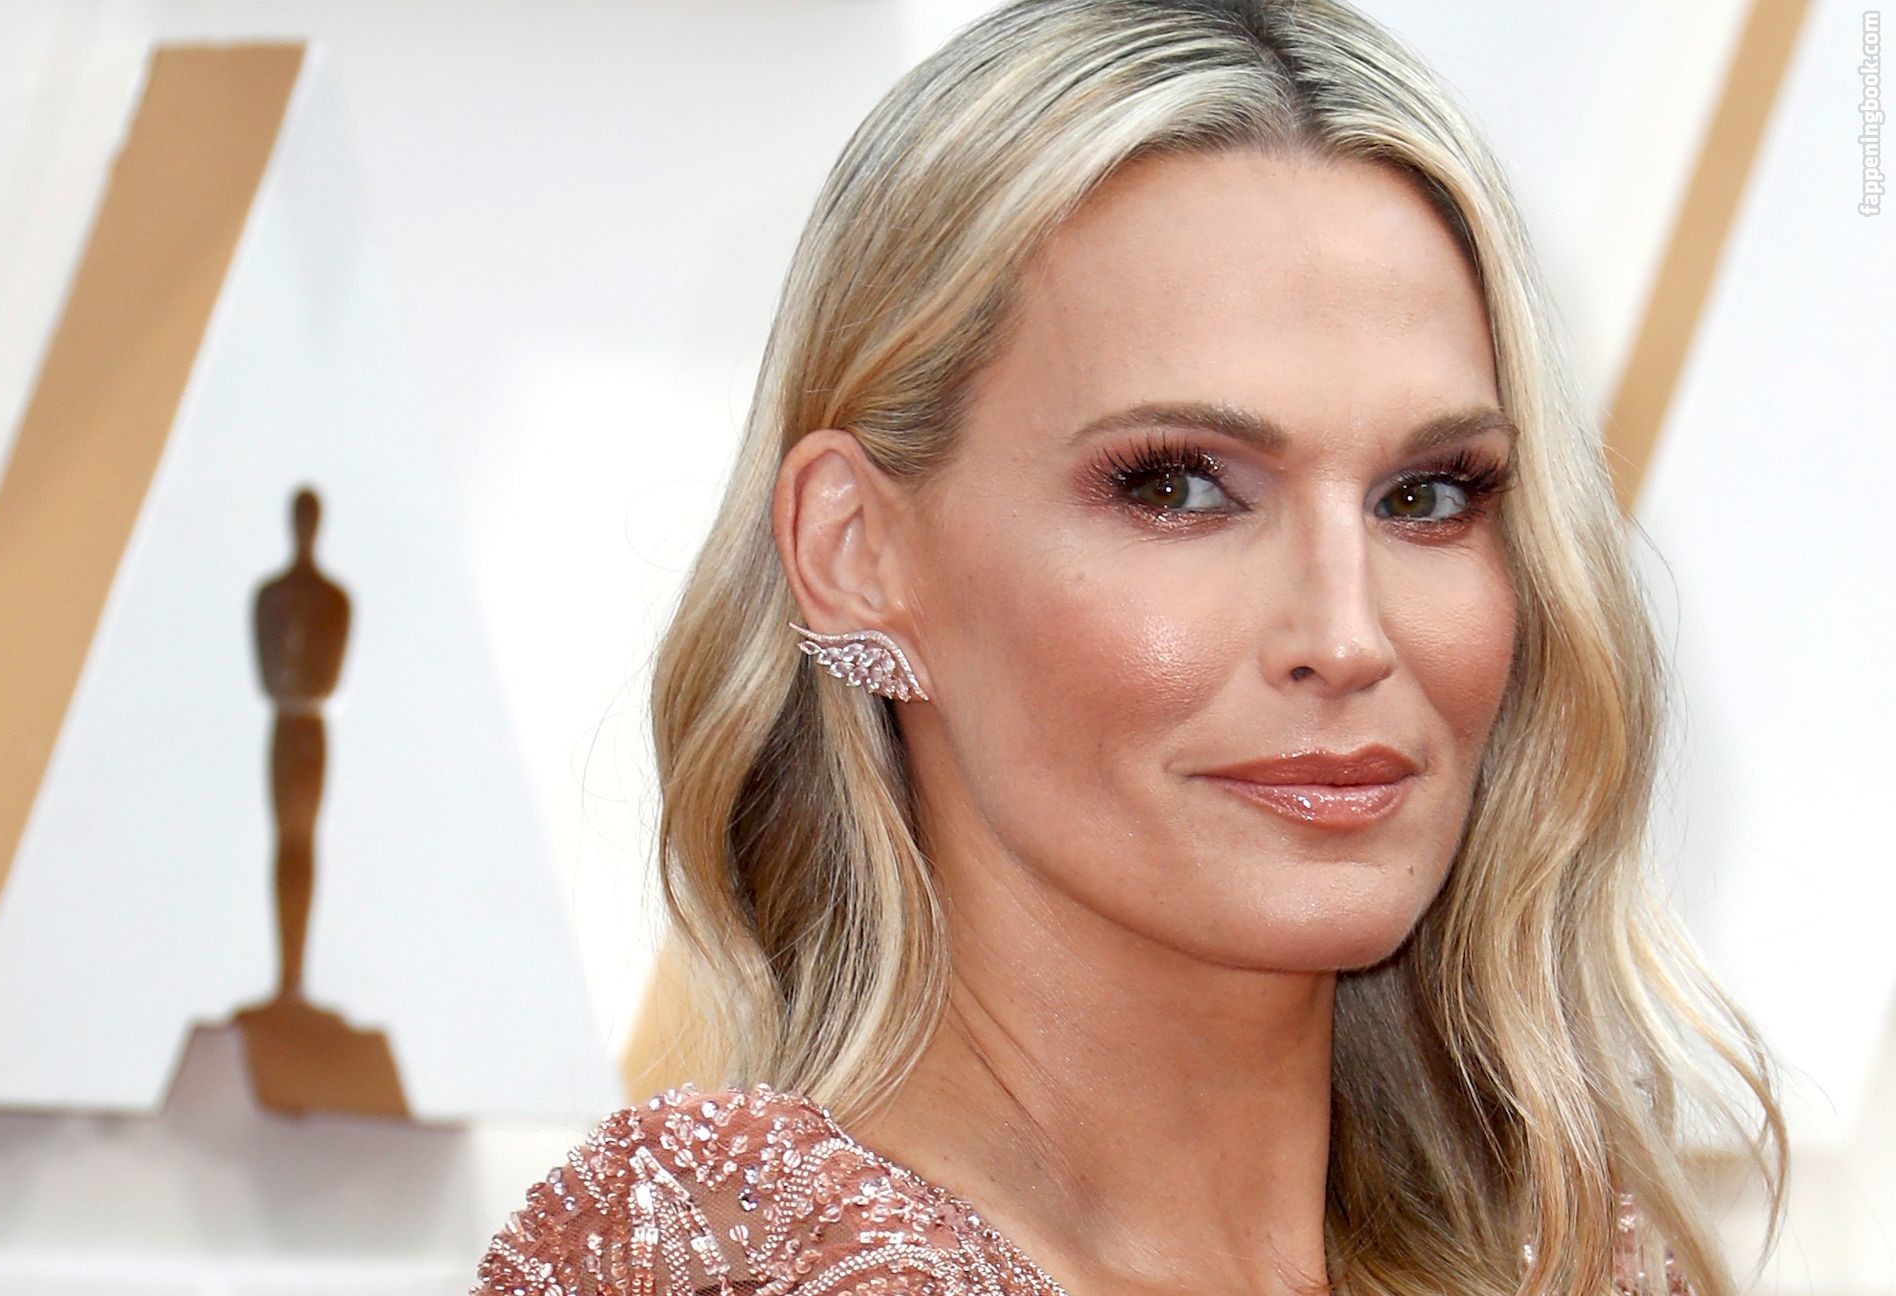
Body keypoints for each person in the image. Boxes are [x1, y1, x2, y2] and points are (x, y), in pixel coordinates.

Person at [472, 2, 1788, 1294]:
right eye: (1179, 487)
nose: (1347, 637)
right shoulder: (742, 1269)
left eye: (1427, 494)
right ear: (857, 552)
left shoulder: (1580, 1266)